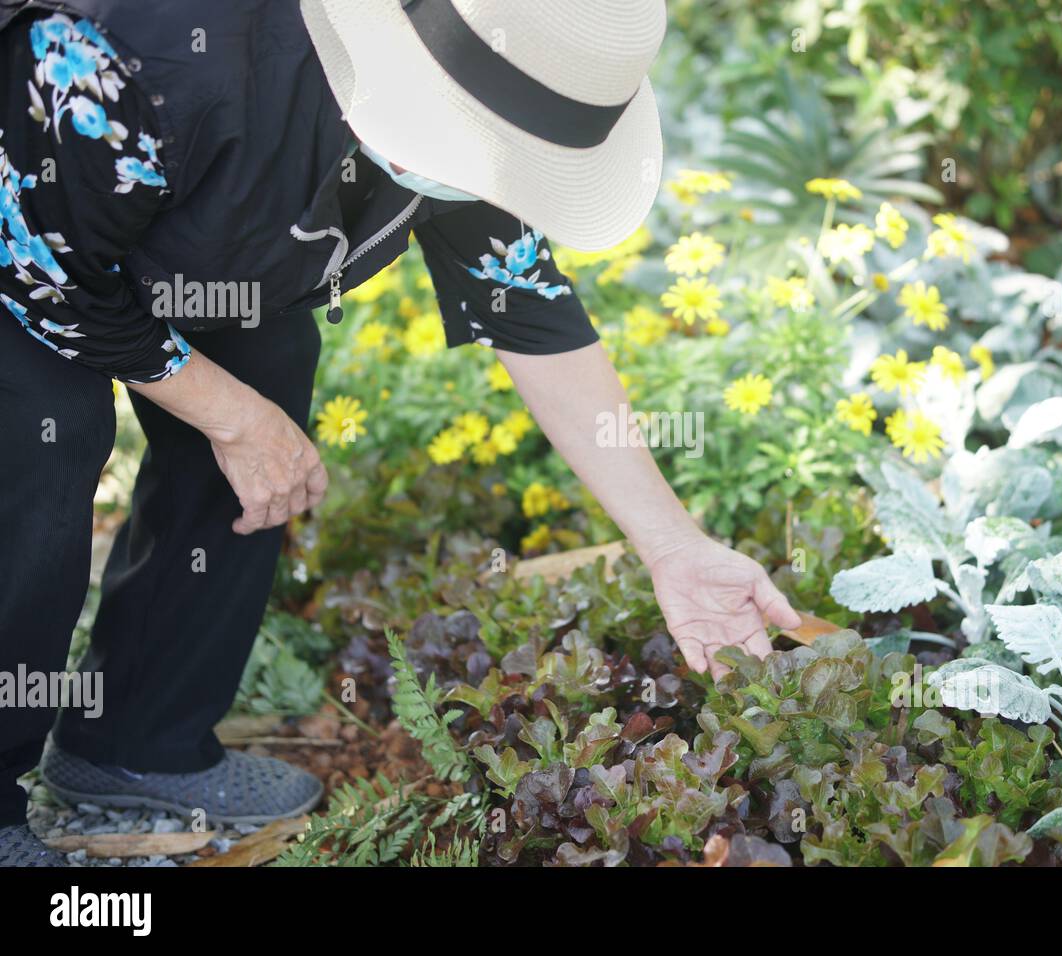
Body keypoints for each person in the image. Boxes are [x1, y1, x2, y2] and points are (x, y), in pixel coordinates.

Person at [0, 0, 801, 866]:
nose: (485, 172)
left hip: (186, 220)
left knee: (267, 359)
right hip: (26, 223)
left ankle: (134, 746)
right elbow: (37, 268)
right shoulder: (140, 56)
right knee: (46, 436)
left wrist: (673, 545)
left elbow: (528, 310)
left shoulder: (492, 98)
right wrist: (228, 416)